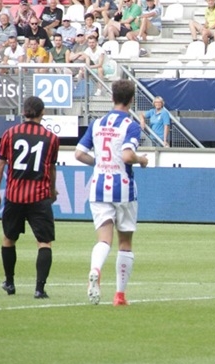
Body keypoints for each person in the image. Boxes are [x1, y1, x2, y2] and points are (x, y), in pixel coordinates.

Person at [74, 79, 149, 306]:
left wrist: (98, 163)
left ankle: (96, 269)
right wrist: (141, 159)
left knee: (103, 239)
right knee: (124, 242)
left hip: (98, 186)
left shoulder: (97, 123)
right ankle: (120, 295)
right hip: (123, 187)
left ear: (112, 97)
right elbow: (127, 156)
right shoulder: (130, 125)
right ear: (132, 99)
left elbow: (78, 154)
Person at [0, 95, 60, 299]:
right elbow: (51, 167)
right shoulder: (51, 138)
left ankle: (10, 283)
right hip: (39, 196)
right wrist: (52, 189)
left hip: (14, 195)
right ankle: (39, 289)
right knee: (44, 243)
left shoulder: (10, 133)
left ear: (23, 112)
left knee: (8, 239)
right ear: (43, 112)